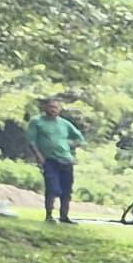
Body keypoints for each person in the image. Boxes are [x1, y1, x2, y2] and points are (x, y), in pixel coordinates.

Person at [25, 96, 81, 224]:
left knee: (67, 190)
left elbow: (79, 138)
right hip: (49, 160)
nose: (53, 110)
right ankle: (49, 215)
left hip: (66, 159)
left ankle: (64, 216)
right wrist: (38, 156)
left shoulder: (65, 124)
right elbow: (31, 141)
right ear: (45, 108)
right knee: (52, 187)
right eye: (50, 107)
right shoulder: (37, 122)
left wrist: (70, 145)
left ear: (60, 109)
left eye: (56, 107)